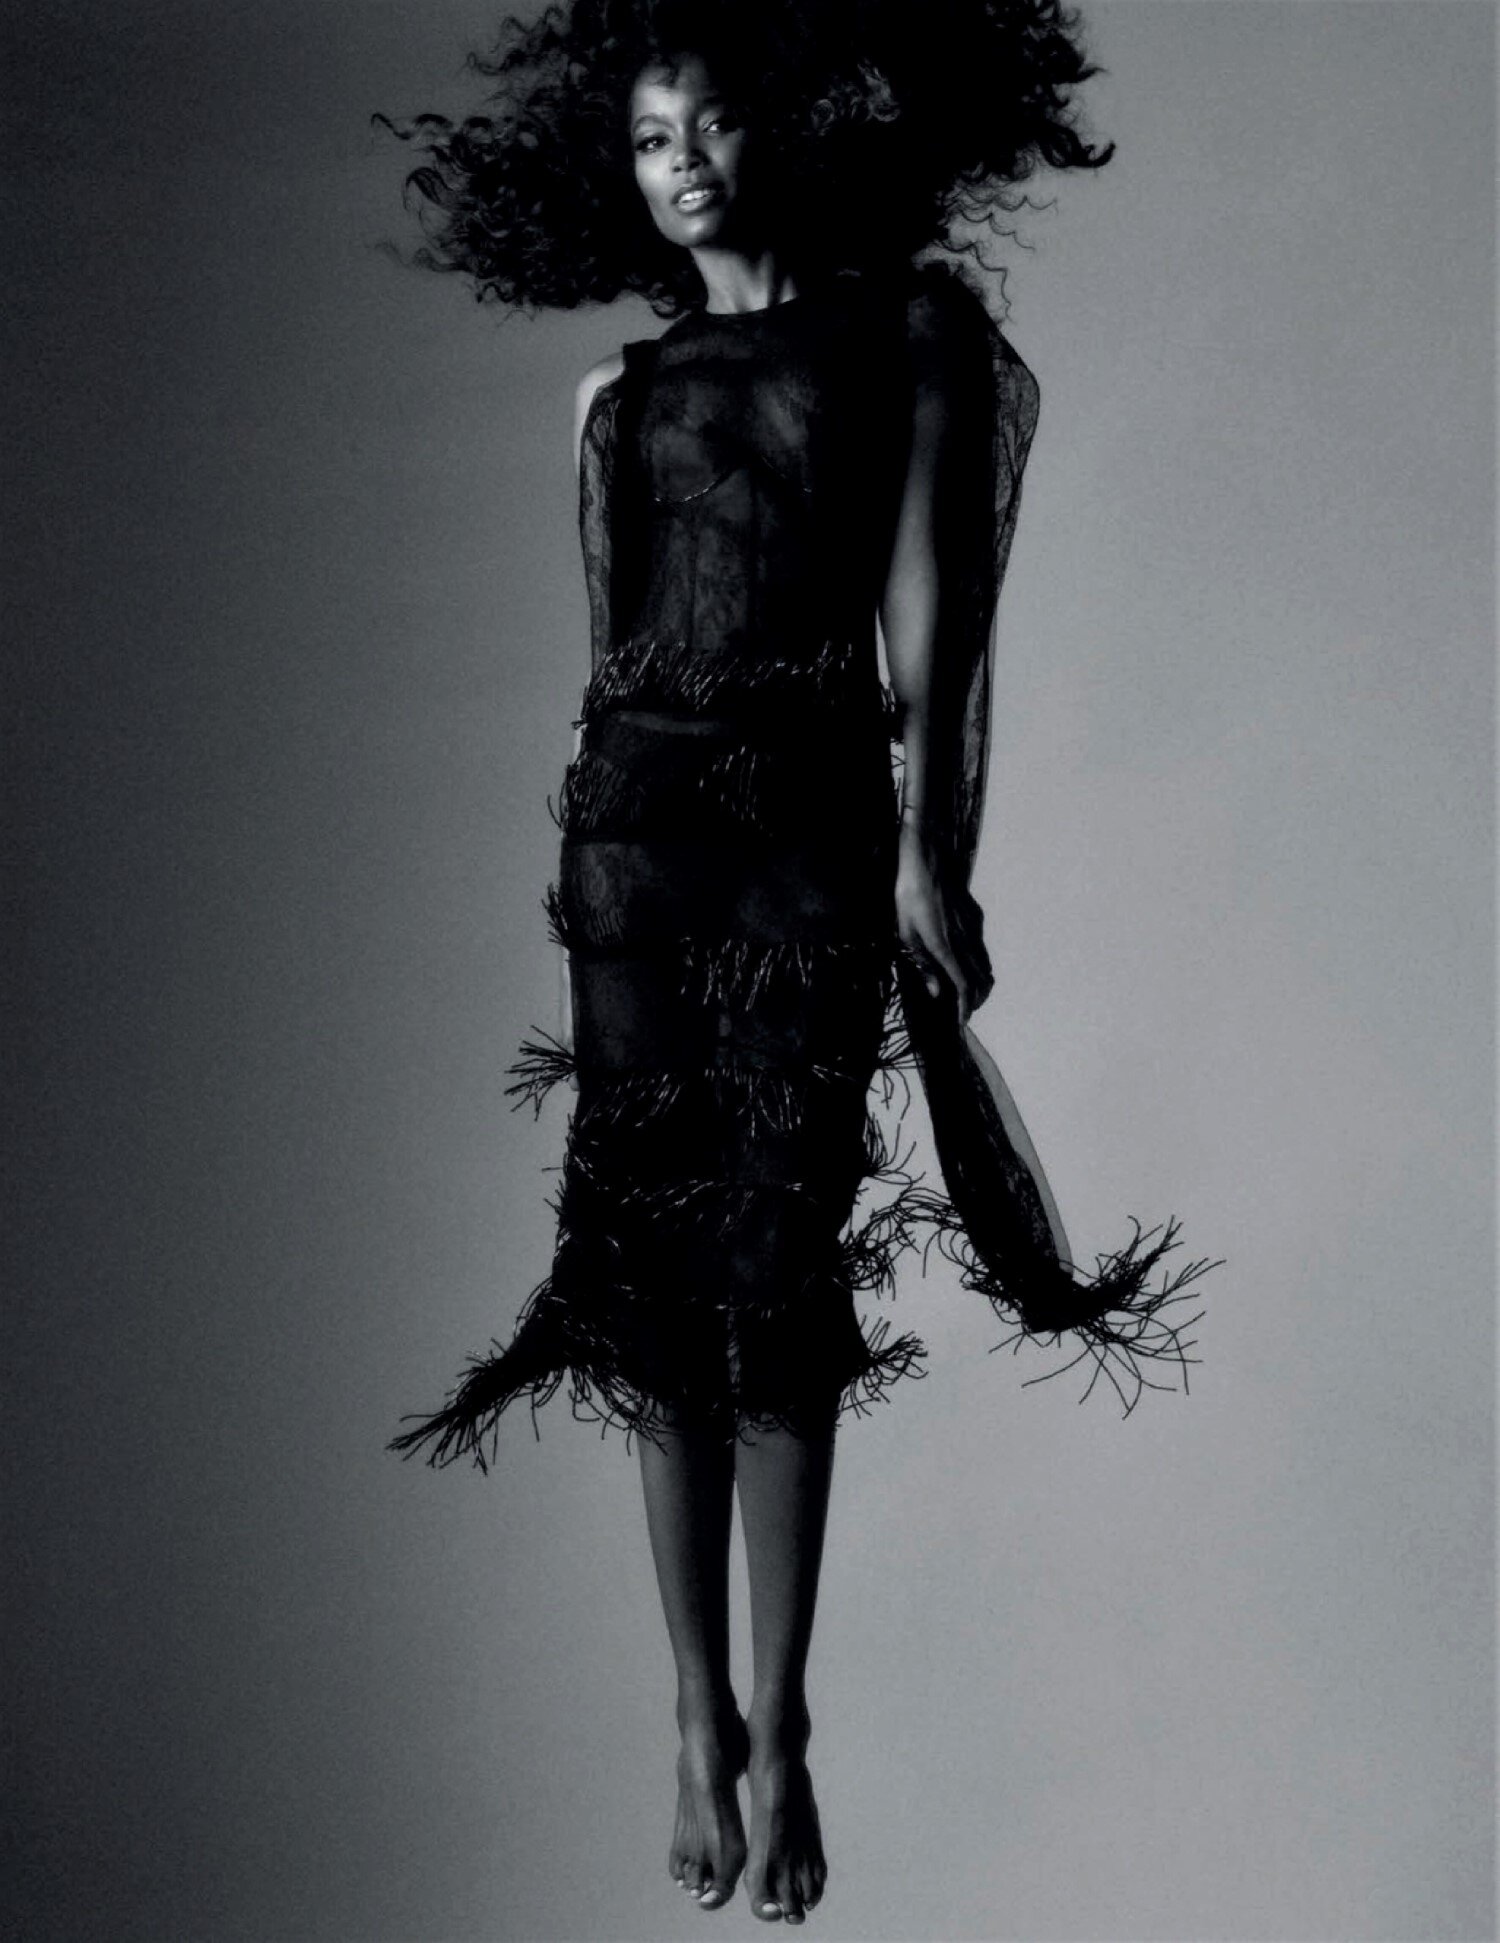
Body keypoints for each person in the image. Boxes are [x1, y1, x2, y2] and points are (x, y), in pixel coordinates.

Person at [379, 1, 1220, 1921]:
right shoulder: (614, 395)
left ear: (794, 125)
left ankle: (789, 1711)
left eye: (712, 120)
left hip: (810, 839)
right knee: (648, 1264)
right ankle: (696, 1716)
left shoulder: (909, 334)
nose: (681, 160)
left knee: (779, 1261)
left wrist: (935, 857)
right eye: (647, 135)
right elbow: (613, 661)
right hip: (636, 850)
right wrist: (612, 851)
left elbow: (941, 633)